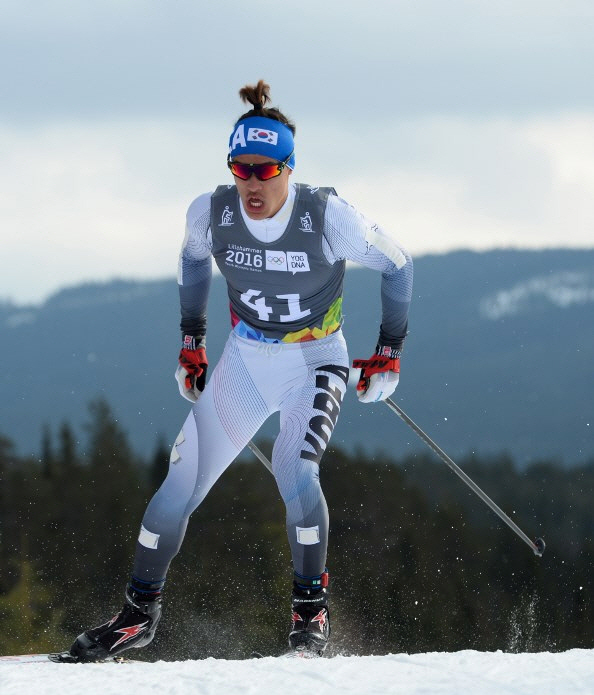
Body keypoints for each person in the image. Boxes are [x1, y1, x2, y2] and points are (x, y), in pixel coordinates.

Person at [66, 80, 413, 661]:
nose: (251, 182)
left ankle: (309, 616)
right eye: (240, 168)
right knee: (181, 478)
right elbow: (191, 261)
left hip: (315, 361)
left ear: (288, 167)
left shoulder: (331, 217)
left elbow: (399, 265)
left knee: (292, 468)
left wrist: (389, 351)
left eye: (265, 169)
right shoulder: (210, 212)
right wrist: (192, 343)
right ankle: (137, 615)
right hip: (247, 362)